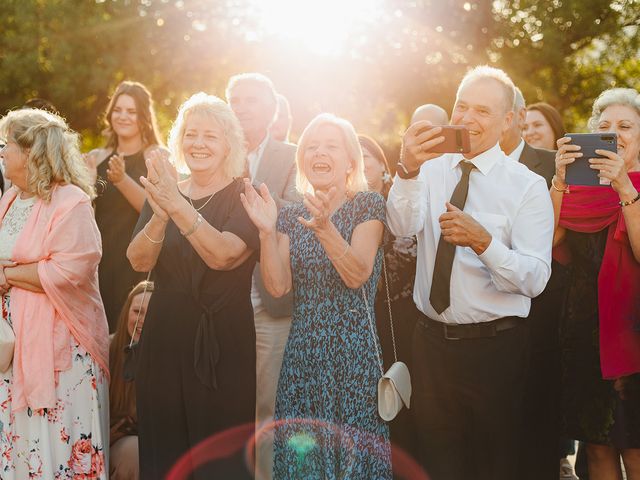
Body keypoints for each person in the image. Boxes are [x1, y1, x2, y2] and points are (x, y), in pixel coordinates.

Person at [387, 66, 554, 480]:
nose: (466, 118)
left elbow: (536, 277)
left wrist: (485, 243)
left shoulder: (528, 187)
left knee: (494, 466)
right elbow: (400, 226)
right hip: (429, 346)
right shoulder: (430, 167)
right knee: (437, 464)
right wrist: (406, 170)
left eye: (482, 110)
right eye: (462, 105)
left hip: (496, 352)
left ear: (508, 120)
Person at [241, 113, 391, 479]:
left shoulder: (367, 205)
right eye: (311, 146)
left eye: (330, 146)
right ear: (301, 159)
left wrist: (324, 229)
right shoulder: (290, 215)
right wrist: (265, 232)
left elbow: (357, 274)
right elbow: (277, 287)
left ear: (350, 160)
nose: (319, 153)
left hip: (353, 359)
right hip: (303, 359)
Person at [127, 92, 259, 479]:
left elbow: (222, 255)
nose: (198, 144)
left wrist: (176, 204)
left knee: (219, 459)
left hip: (222, 344)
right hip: (164, 339)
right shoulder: (165, 193)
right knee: (165, 452)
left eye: (210, 136)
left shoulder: (243, 194)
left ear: (229, 145)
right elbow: (138, 261)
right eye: (191, 134)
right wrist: (160, 214)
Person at [0, 108, 109, 479]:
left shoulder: (70, 202)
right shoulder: (11, 199)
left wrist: (6, 274)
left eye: (8, 145)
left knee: (56, 446)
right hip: (13, 350)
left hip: (58, 354)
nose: (2, 153)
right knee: (20, 443)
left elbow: (69, 270)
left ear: (31, 152)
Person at [553, 87, 640, 480]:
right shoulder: (579, 192)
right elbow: (546, 242)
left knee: (636, 452)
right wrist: (558, 181)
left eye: (625, 126)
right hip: (585, 337)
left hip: (633, 336)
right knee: (599, 452)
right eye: (604, 126)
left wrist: (625, 187)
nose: (615, 132)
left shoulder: (634, 188)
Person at [226, 73, 298, 480]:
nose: (241, 106)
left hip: (270, 298)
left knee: (267, 405)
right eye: (234, 99)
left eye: (251, 99)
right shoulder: (212, 154)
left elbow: (294, 211)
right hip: (220, 298)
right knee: (228, 401)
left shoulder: (292, 155)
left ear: (272, 109)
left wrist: (249, 202)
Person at [501, 88, 573, 480]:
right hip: (489, 298)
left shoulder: (550, 164)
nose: (526, 131)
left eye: (532, 125)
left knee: (539, 396)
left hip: (543, 294)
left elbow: (561, 231)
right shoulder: (471, 163)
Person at [87, 80, 168, 331]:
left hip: (136, 261)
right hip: (102, 260)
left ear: (143, 117)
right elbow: (87, 214)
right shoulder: (97, 158)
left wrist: (122, 180)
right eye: (118, 110)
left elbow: (158, 208)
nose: (123, 116)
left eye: (131, 111)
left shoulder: (156, 156)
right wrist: (87, 186)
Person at [359, 134, 419, 463]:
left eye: (367, 156)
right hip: (359, 319)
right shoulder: (337, 204)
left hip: (397, 316)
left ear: (383, 165)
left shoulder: (397, 202)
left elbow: (402, 264)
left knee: (398, 396)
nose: (360, 162)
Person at [109, 280, 154, 480]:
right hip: (115, 440)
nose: (142, 320)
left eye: (150, 313)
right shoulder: (105, 349)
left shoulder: (170, 358)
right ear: (127, 312)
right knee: (133, 454)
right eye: (138, 311)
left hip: (155, 442)